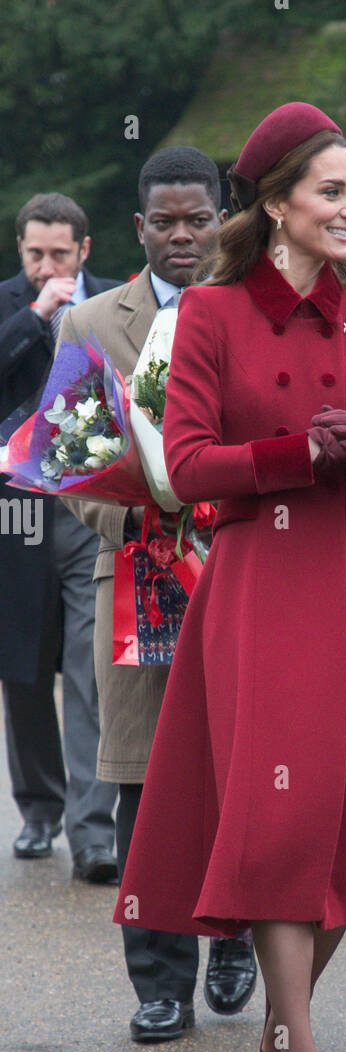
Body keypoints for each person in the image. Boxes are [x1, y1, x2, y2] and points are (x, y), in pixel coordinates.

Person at [113, 103, 346, 1052]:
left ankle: (277, 1020)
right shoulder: (209, 316)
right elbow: (191, 465)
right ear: (276, 202)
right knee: (275, 822)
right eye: (331, 191)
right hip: (255, 586)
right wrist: (303, 452)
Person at [60, 147, 261, 1042]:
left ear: (224, 216)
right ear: (140, 228)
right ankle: (158, 980)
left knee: (243, 769)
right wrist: (147, 524)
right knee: (144, 782)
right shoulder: (91, 324)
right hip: (137, 576)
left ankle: (238, 938)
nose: (184, 236)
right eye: (165, 223)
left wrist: (230, 514)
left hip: (252, 574)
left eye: (199, 218)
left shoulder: (258, 309)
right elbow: (71, 461)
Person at [0, 193, 118, 881]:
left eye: (60, 254)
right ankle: (39, 808)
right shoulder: (12, 305)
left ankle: (92, 831)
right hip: (14, 514)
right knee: (23, 666)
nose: (48, 266)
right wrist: (37, 314)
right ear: (21, 251)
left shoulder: (114, 303)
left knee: (90, 667)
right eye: (34, 254)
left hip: (87, 508)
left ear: (85, 250)